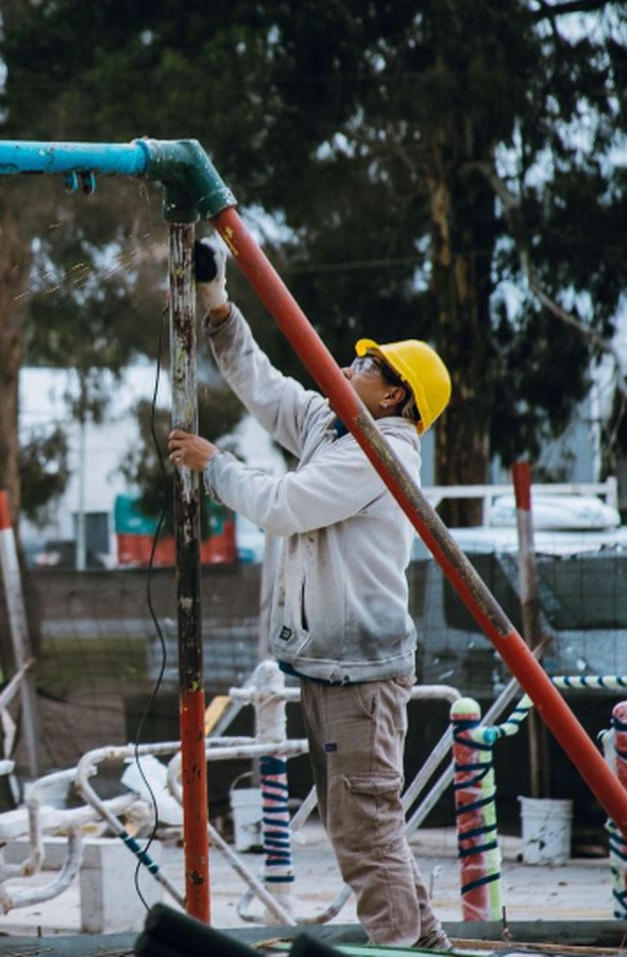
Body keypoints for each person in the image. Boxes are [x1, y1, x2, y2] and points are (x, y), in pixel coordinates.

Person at [167, 233, 453, 950]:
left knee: (363, 829)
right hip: (329, 665)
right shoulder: (336, 428)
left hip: (360, 674)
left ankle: (396, 949)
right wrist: (216, 299)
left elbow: (283, 505)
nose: (353, 364)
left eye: (370, 364)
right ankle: (426, 946)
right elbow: (262, 386)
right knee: (366, 822)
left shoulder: (379, 455)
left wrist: (214, 464)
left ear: (395, 396)